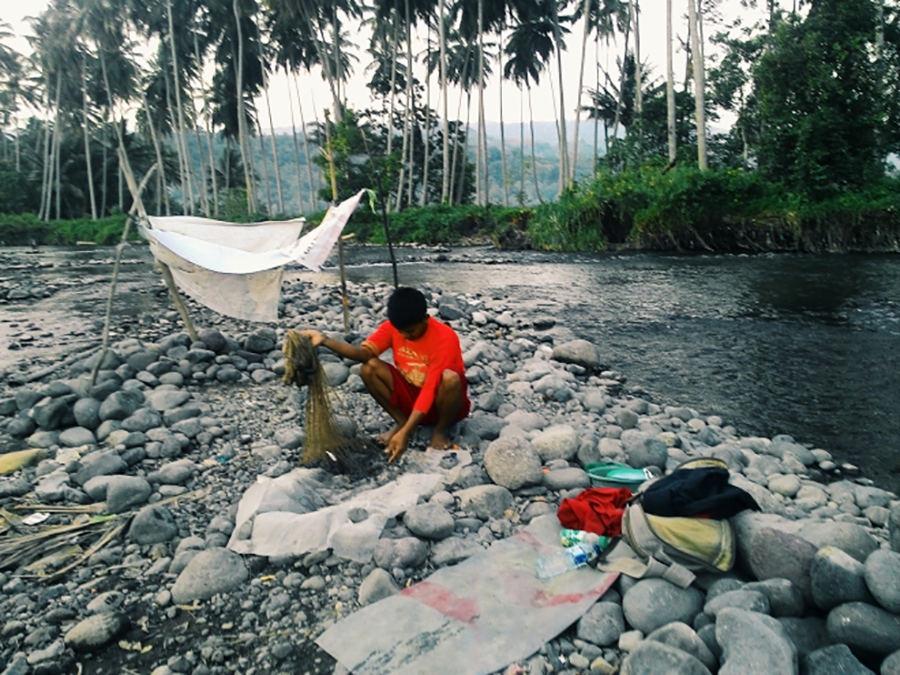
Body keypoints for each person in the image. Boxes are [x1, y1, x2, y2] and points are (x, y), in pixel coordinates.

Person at [301, 286, 470, 463]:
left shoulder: (444, 336)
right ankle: (404, 423)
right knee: (369, 368)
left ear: (426, 319)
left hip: (443, 402)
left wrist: (403, 436)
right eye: (401, 331)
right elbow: (364, 353)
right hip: (413, 397)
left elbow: (429, 389)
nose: (405, 335)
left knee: (450, 378)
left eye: (411, 331)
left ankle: (440, 430)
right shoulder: (392, 328)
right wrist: (325, 341)